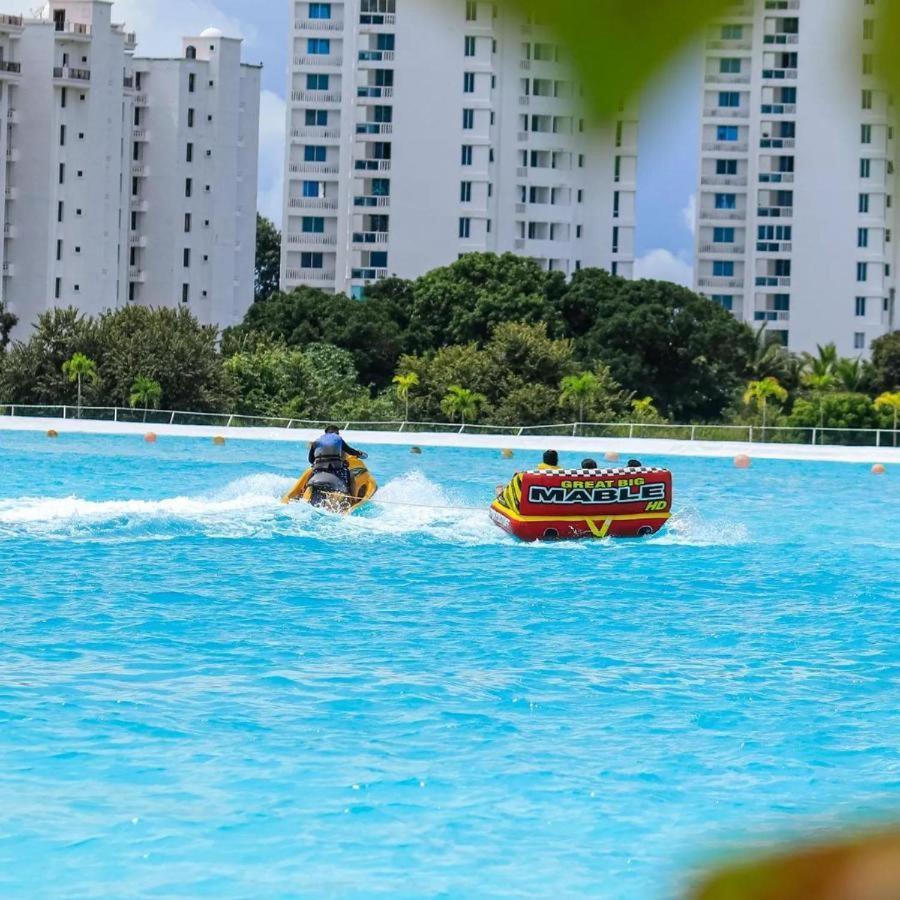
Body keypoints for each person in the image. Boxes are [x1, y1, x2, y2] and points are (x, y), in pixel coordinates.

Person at [308, 426, 368, 493]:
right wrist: (358, 453)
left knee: (311, 473)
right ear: (337, 432)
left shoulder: (316, 441)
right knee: (350, 476)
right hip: (335, 469)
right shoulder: (338, 438)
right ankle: (351, 497)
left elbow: (311, 460)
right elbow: (350, 451)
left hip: (319, 469)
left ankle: (302, 492)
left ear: (326, 433)